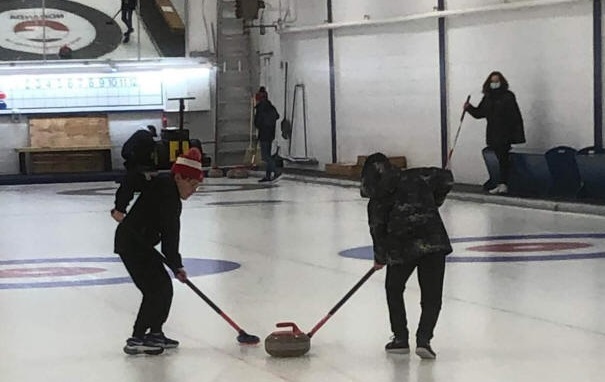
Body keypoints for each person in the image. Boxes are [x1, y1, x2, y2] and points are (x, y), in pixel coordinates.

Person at [361, 153, 453, 359]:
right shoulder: (417, 176)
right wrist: (434, 200)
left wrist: (380, 257)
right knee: (431, 294)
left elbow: (377, 230)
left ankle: (400, 338)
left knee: (394, 289)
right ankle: (424, 340)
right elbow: (446, 178)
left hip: (402, 247)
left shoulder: (377, 196)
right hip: (433, 242)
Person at [112, 147, 203, 355]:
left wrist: (176, 264)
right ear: (179, 177)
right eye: (192, 184)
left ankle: (154, 334)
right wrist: (120, 208)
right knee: (156, 290)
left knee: (162, 288)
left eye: (197, 186)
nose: (193, 190)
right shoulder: (162, 184)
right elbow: (130, 179)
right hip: (132, 243)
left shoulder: (172, 196)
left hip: (142, 244)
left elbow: (171, 235)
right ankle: (137, 338)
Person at [464, 71, 525, 194]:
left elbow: (515, 116)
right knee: (498, 157)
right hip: (492, 132)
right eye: (493, 81)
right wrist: (469, 108)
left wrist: (515, 134)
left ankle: (504, 183)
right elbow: (479, 113)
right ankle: (500, 182)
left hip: (505, 132)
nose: (494, 83)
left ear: (501, 82)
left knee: (503, 157)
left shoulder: (508, 96)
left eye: (497, 81)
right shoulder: (487, 97)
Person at [113, 125, 158, 221]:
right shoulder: (145, 137)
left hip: (136, 167)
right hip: (142, 168)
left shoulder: (137, 136)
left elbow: (125, 152)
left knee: (127, 186)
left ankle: (119, 210)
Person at [254, 87, 281, 182]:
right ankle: (268, 176)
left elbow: (257, 122)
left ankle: (276, 171)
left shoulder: (261, 108)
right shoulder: (271, 107)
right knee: (268, 155)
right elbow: (277, 116)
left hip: (264, 134)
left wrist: (260, 125)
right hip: (270, 134)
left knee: (265, 156)